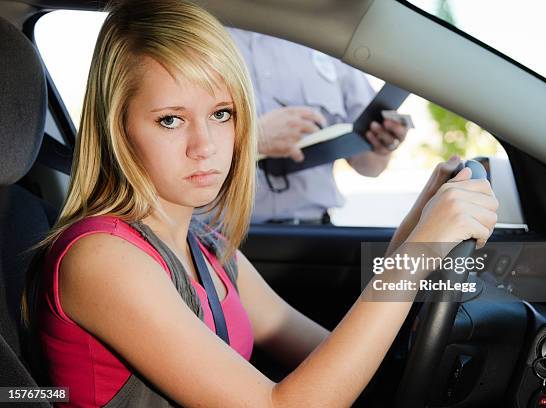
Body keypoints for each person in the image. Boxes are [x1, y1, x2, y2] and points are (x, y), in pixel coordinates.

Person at [21, 0, 498, 406]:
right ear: (117, 127)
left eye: (221, 113)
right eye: (170, 120)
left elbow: (329, 358)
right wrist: (422, 250)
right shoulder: (102, 259)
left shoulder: (204, 244)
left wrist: (416, 229)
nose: (204, 145)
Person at [228, 28, 410, 224]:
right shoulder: (202, 40)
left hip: (315, 235)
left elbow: (370, 167)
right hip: (217, 239)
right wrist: (250, 138)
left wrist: (381, 145)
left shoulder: (331, 46)